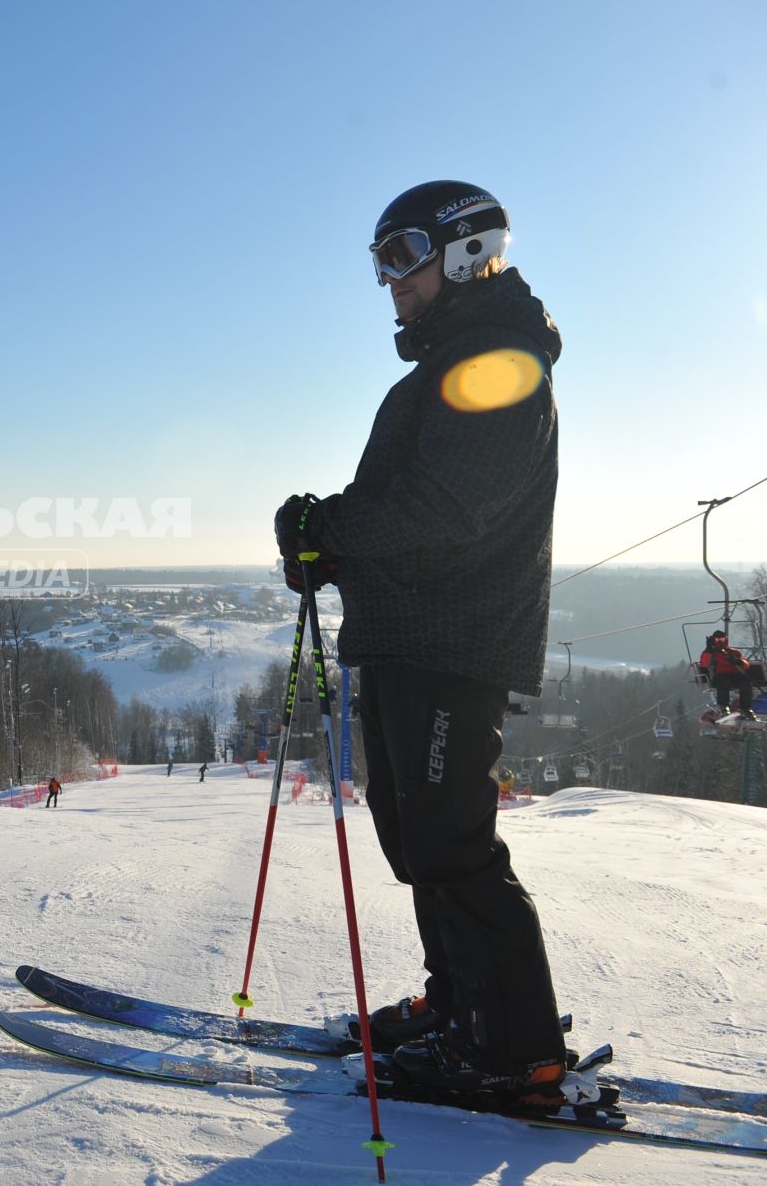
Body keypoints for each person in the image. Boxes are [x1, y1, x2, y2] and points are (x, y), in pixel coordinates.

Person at [273, 181, 573, 1106]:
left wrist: (336, 526)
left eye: (402, 254)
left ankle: (517, 1049)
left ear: (466, 250)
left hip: (455, 642)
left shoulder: (499, 362)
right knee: (417, 839)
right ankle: (463, 1007)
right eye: (379, 263)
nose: (389, 279)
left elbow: (448, 509)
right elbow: (415, 510)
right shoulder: (446, 366)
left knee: (453, 842)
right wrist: (325, 545)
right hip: (411, 636)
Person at [699, 631, 758, 720]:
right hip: (720, 675)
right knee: (724, 682)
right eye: (717, 640)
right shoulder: (712, 653)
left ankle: (745, 708)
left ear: (726, 639)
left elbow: (745, 664)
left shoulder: (732, 652)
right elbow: (704, 663)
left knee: (745, 682)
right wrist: (709, 649)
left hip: (735, 675)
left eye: (722, 639)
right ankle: (724, 707)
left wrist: (739, 661)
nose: (720, 642)